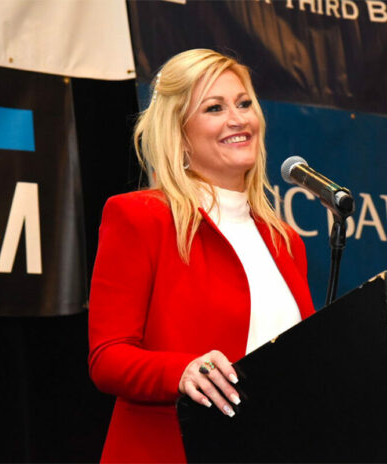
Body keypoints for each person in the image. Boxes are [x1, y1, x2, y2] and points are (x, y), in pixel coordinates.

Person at [88, 49, 315, 463]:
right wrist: (182, 370)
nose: (238, 119)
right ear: (179, 133)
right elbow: (108, 356)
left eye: (244, 103)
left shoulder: (286, 241)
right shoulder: (141, 217)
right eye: (214, 108)